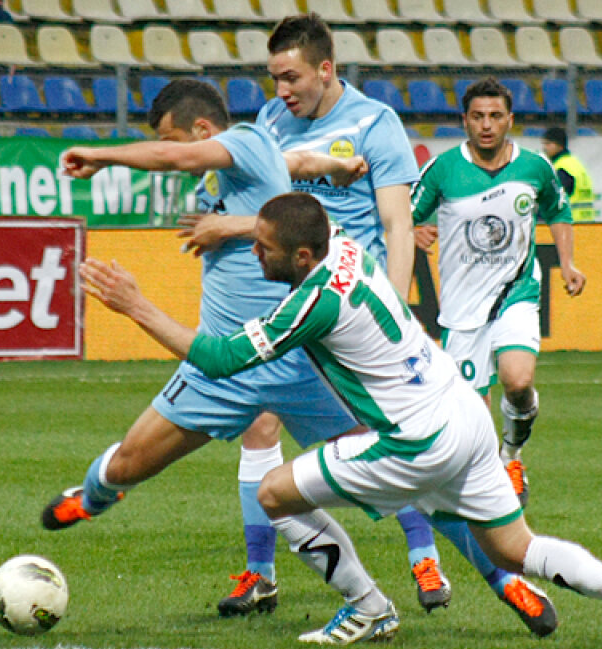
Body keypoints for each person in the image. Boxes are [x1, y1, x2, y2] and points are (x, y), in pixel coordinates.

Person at [75, 191, 602, 649]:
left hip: (415, 440)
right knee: (516, 547)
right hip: (464, 413)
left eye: (262, 247)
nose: (254, 252)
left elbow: (219, 359)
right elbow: (321, 216)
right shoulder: (343, 241)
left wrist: (135, 305)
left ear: (301, 255)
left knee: (272, 494)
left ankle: (368, 607)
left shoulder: (314, 302)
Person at [179, 13, 559, 637]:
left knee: (405, 452)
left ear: (324, 69)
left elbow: (397, 223)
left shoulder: (376, 123)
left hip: (352, 318)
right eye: (274, 79)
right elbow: (271, 215)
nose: (280, 90)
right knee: (261, 426)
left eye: (290, 77)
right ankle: (260, 573)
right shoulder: (271, 123)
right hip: (292, 305)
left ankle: (485, 573)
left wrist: (400, 308)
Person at [43, 79, 378, 620]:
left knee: (393, 455)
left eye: (175, 138)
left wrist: (103, 156)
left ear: (202, 130)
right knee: (127, 464)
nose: (176, 155)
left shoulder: (242, 140)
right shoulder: (244, 164)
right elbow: (295, 163)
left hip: (288, 354)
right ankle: (95, 496)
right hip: (217, 364)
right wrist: (336, 167)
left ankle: (459, 566)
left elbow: (173, 157)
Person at [412, 78, 586, 535]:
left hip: (516, 295)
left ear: (510, 120)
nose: (486, 125)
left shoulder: (535, 167)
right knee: (472, 414)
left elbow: (558, 210)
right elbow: (402, 217)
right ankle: (489, 487)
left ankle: (512, 455)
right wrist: (412, 231)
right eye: (477, 117)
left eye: (494, 116)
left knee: (518, 380)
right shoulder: (443, 170)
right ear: (464, 121)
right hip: (461, 310)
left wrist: (567, 263)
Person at [540, 127, 595, 223]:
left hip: (568, 223)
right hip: (587, 223)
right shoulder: (575, 163)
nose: (544, 148)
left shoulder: (561, 168)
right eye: (544, 144)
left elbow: (553, 200)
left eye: (548, 144)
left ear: (560, 145)